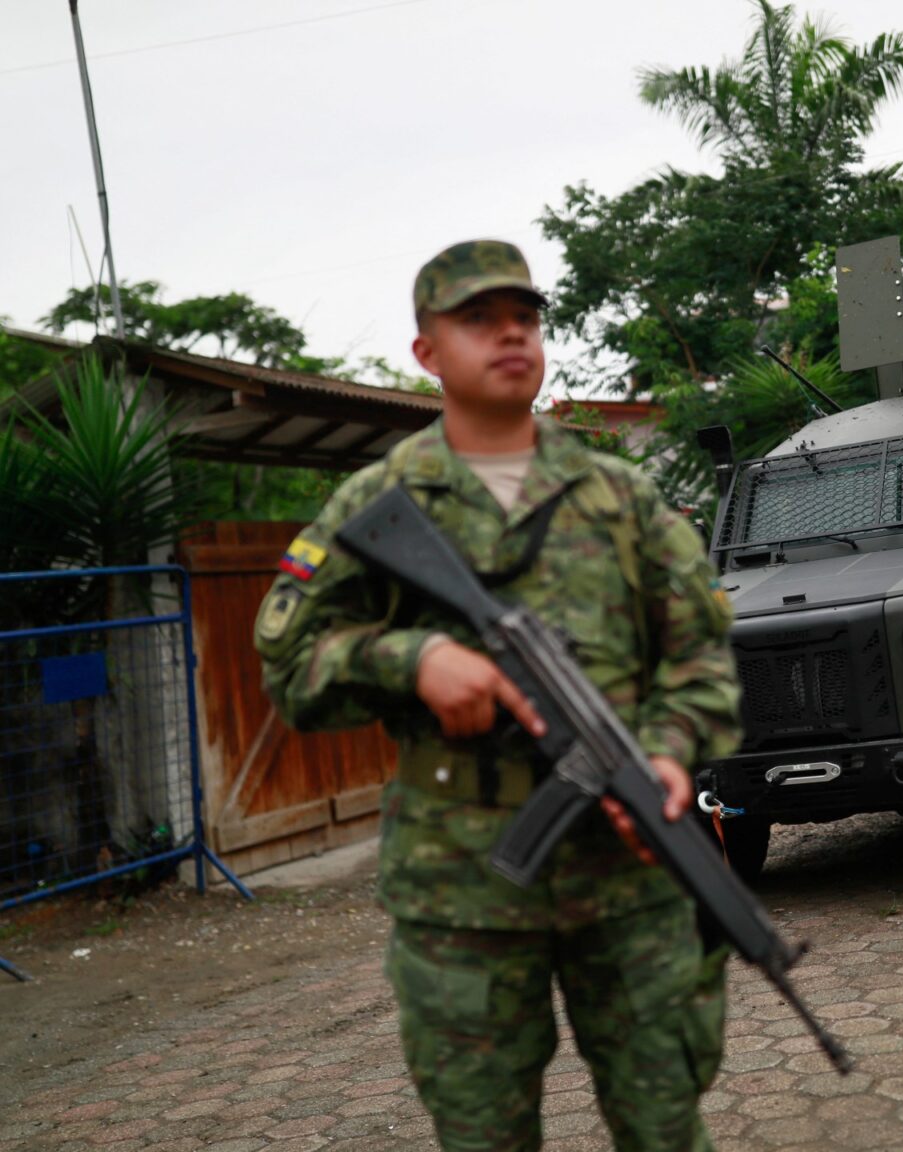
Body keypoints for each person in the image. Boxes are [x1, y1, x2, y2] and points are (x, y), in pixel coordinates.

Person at [253, 239, 742, 1151]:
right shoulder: (380, 502)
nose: (510, 333)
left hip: (628, 878)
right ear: (427, 353)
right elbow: (289, 664)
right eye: (478, 319)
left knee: (666, 1124)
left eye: (524, 316)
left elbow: (703, 657)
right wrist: (412, 660)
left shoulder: (622, 499)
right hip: (460, 890)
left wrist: (670, 749)